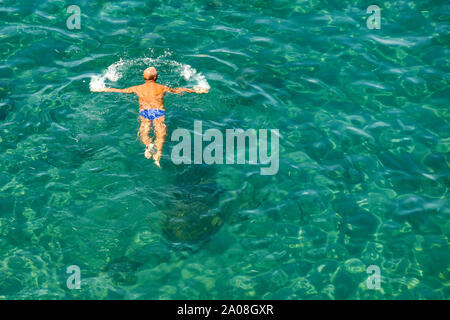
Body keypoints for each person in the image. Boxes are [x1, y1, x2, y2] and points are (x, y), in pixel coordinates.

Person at [92, 67, 208, 167]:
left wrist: (102, 89)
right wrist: (196, 91)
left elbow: (121, 91)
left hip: (145, 112)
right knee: (161, 132)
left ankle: (148, 145)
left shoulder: (137, 88)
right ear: (155, 78)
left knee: (144, 130)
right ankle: (158, 155)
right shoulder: (162, 87)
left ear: (144, 78)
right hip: (158, 112)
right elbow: (178, 90)